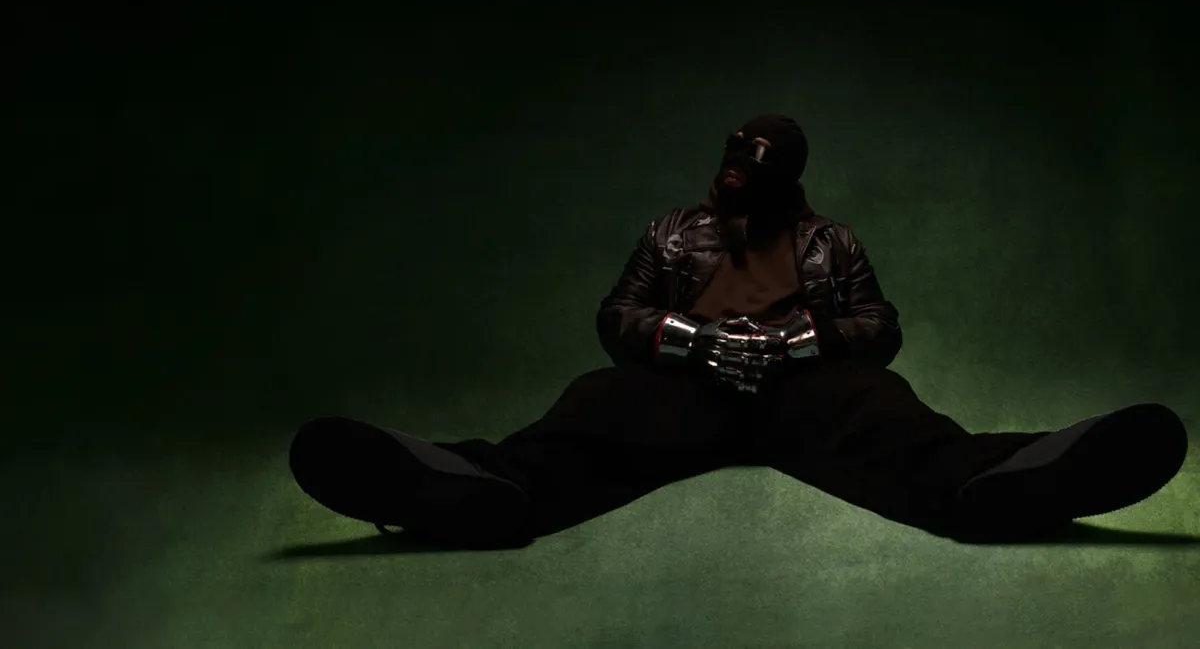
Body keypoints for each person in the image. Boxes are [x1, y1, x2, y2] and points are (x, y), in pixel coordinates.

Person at [289, 114, 1189, 548]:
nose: (732, 174)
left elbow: (879, 326)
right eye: (729, 158)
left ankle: (1002, 483)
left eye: (752, 164)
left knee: (890, 414)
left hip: (803, 392)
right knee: (593, 407)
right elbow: (616, 317)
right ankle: (478, 488)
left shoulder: (830, 242)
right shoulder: (670, 233)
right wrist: (696, 341)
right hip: (688, 389)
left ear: (786, 176)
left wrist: (799, 345)